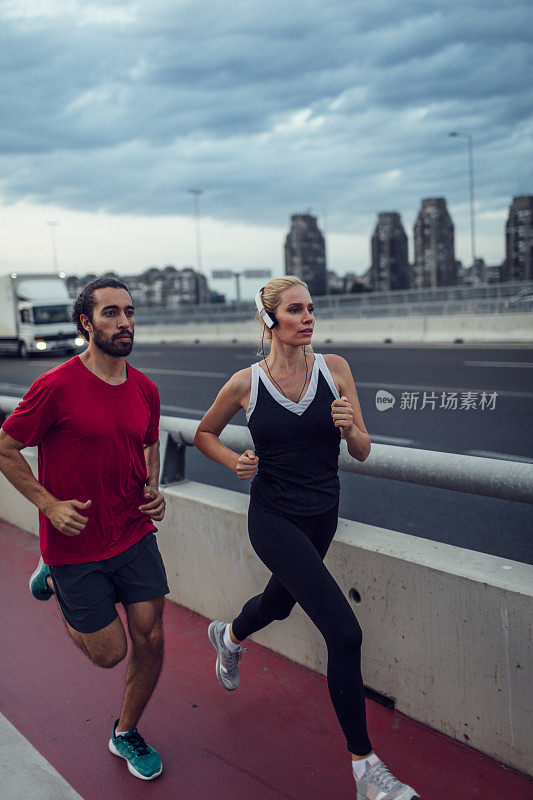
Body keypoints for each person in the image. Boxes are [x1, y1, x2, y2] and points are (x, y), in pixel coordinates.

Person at [194, 276, 420, 800]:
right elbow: (204, 432)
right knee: (345, 633)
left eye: (312, 309)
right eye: (296, 310)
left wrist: (350, 429)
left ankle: (228, 637)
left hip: (323, 515)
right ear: (270, 319)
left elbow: (362, 450)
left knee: (279, 604)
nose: (309, 318)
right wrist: (236, 461)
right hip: (273, 517)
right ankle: (366, 770)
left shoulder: (335, 370)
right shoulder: (246, 383)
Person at [0, 277, 168, 781]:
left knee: (152, 638)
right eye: (111, 313)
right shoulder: (54, 386)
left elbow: (149, 444)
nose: (124, 323)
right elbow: (5, 447)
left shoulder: (145, 389)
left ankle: (126, 732)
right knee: (110, 653)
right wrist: (48, 505)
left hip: (133, 534)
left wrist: (154, 489)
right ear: (86, 323)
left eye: (129, 312)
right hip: (73, 544)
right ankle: (51, 577)